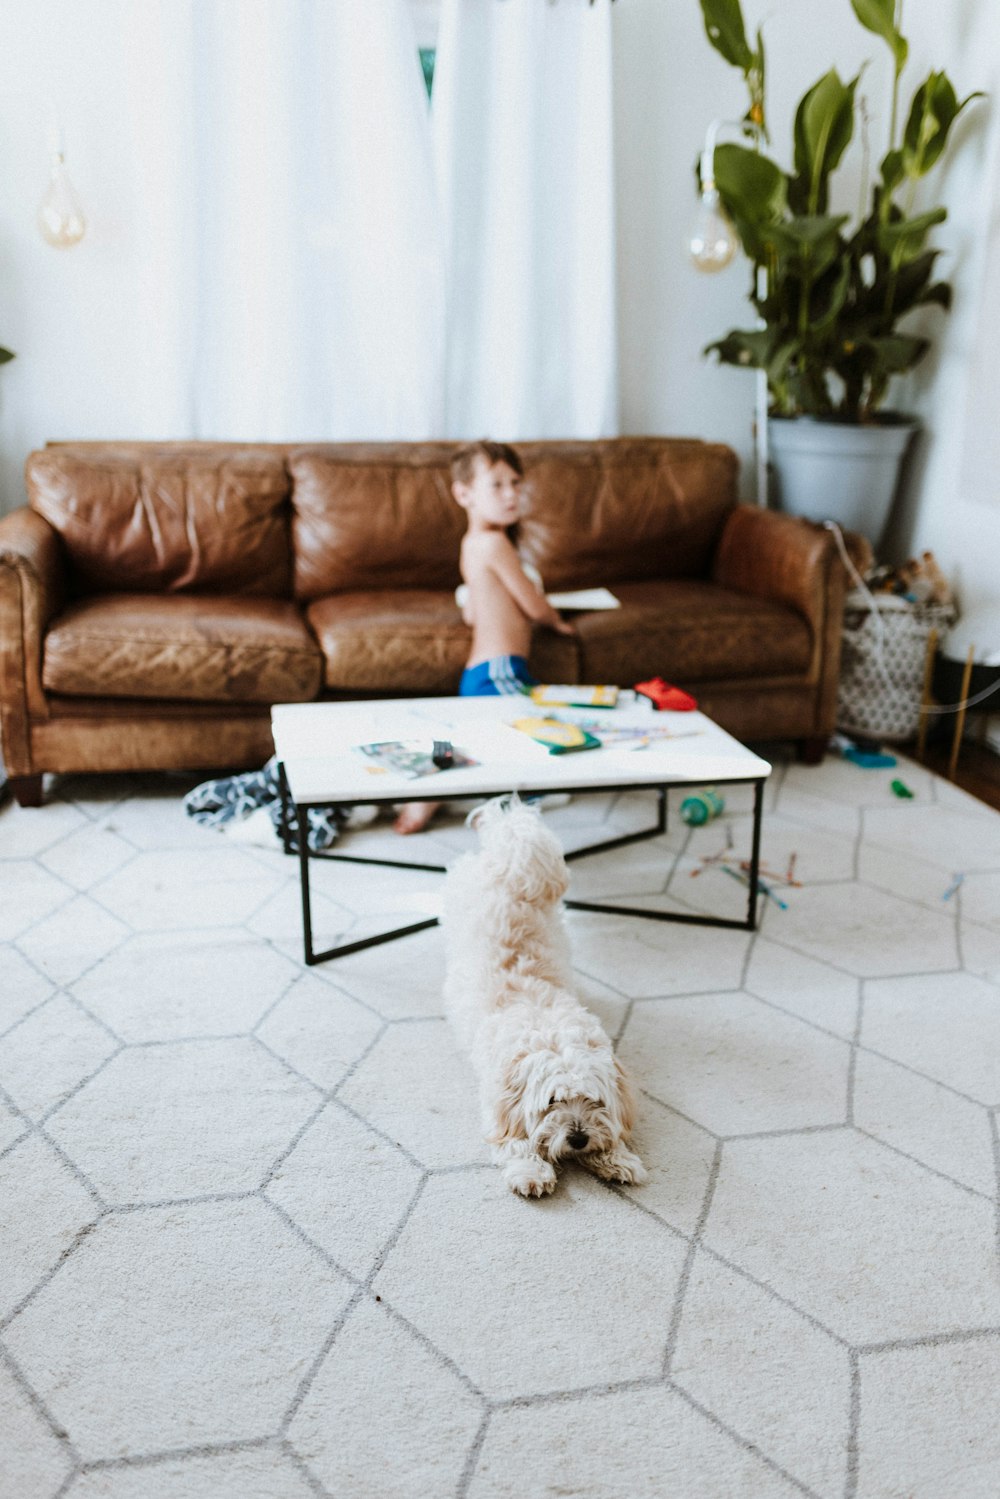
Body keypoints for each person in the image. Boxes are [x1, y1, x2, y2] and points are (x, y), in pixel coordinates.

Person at [394, 439, 575, 834]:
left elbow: (473, 610)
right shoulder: (495, 544)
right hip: (501, 671)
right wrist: (556, 620)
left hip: (485, 672)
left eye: (516, 483)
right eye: (496, 485)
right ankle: (440, 796)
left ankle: (438, 787)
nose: (511, 494)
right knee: (536, 743)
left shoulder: (472, 545)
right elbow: (534, 605)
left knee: (496, 733)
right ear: (464, 494)